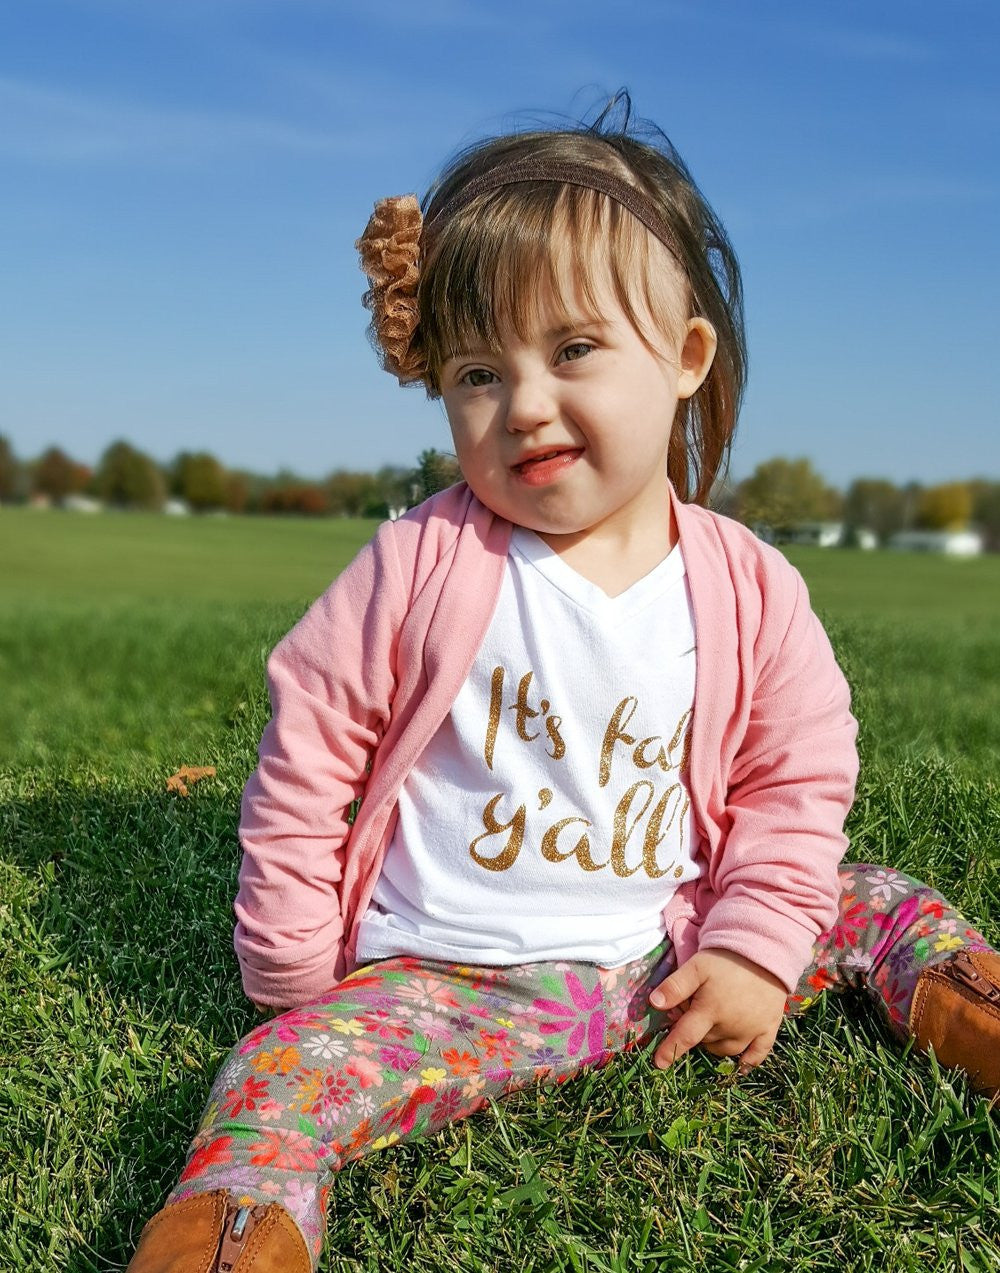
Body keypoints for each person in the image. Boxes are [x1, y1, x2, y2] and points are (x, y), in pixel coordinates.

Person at [127, 94, 1000, 1273]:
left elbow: (795, 778)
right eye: (479, 371)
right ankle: (234, 1230)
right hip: (448, 982)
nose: (523, 403)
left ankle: (968, 1012)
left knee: (877, 896)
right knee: (275, 1078)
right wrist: (288, 960)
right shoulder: (420, 561)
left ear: (684, 358)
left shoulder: (746, 585)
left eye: (572, 349)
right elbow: (308, 752)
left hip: (668, 959)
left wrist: (749, 948)